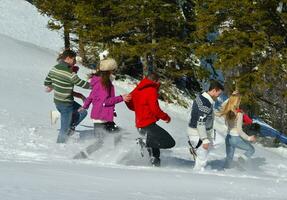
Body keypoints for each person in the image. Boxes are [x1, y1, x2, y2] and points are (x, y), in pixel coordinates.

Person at [126, 72, 176, 167]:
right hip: (148, 124)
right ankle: (145, 141)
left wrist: (139, 109)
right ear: (155, 81)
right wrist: (166, 117)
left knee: (154, 150)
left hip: (140, 125)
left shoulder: (138, 89)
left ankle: (155, 167)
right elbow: (155, 109)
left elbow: (129, 101)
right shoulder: (151, 90)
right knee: (169, 142)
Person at [78, 58, 131, 142]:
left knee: (118, 134)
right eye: (114, 70)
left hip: (104, 117)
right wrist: (121, 98)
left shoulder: (99, 81)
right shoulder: (103, 83)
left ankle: (116, 152)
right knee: (99, 143)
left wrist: (85, 106)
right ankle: (83, 155)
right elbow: (105, 101)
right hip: (101, 117)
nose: (114, 72)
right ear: (109, 70)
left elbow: (91, 95)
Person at [44, 49, 90, 143]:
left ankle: (70, 128)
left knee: (83, 112)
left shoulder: (54, 68)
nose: (75, 62)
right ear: (68, 58)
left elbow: (47, 82)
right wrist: (96, 86)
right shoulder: (70, 73)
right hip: (66, 105)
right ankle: (59, 146)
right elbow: (81, 83)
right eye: (74, 59)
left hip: (60, 102)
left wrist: (55, 85)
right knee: (63, 129)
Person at [187, 80, 224, 170]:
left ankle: (197, 150)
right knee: (201, 162)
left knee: (220, 140)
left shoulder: (201, 96)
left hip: (203, 131)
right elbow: (200, 123)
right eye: (218, 94)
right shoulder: (205, 104)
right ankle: (198, 174)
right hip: (198, 133)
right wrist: (205, 139)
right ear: (214, 90)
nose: (219, 97)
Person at [219, 92, 256, 168]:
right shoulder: (239, 114)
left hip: (228, 138)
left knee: (229, 159)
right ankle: (241, 159)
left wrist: (231, 97)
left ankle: (225, 172)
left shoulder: (227, 111)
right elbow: (239, 130)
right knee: (251, 149)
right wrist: (249, 138)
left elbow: (222, 105)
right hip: (235, 138)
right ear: (237, 101)